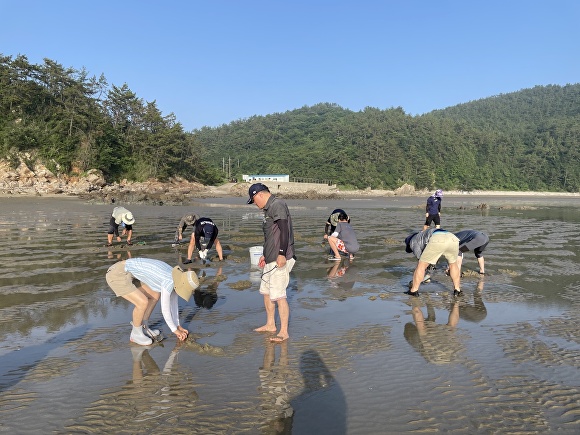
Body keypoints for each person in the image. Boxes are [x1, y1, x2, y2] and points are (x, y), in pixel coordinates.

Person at [105, 257, 199, 345]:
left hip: (130, 273)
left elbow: (174, 304)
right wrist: (174, 330)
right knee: (142, 302)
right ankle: (136, 334)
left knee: (155, 294)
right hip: (117, 273)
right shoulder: (168, 281)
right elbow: (165, 309)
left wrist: (178, 325)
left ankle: (144, 327)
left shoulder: (176, 276)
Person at [247, 183, 296, 343]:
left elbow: (284, 231)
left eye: (254, 200)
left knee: (279, 296)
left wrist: (281, 254)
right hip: (270, 258)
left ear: (260, 195)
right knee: (266, 293)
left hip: (280, 258)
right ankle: (270, 324)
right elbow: (270, 235)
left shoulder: (278, 205)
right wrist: (264, 254)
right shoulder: (268, 210)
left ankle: (283, 331)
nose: (255, 204)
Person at [404, 228, 462, 297]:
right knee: (453, 264)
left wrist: (427, 274)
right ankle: (457, 290)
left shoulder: (412, 241)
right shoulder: (421, 236)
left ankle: (413, 290)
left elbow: (421, 260)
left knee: (421, 265)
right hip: (453, 238)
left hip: (438, 239)